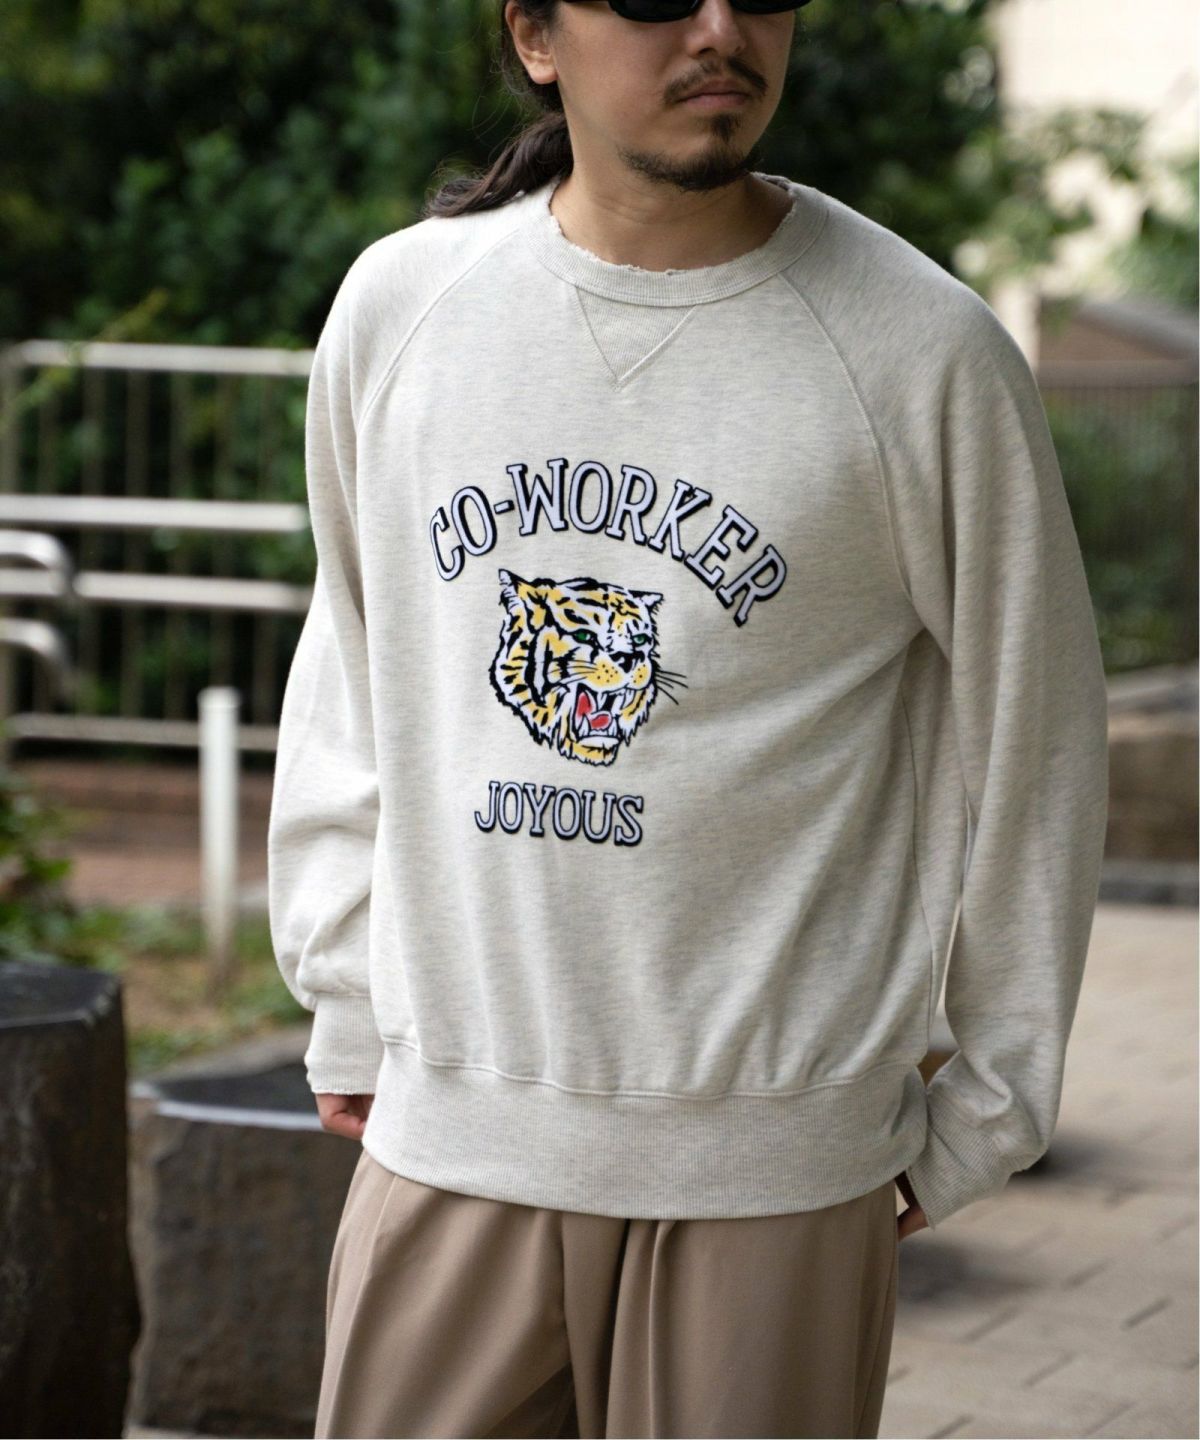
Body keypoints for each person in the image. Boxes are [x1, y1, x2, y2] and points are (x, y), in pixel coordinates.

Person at [266, 0, 1110, 1434]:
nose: (719, 28)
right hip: (455, 1142)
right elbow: (354, 661)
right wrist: (348, 1002)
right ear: (535, 35)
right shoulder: (404, 310)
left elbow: (1041, 743)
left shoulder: (922, 353)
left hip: (768, 1177)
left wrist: (990, 1105)